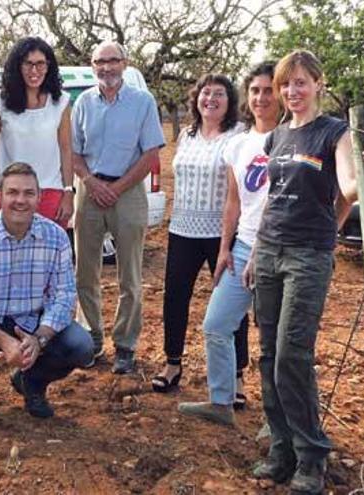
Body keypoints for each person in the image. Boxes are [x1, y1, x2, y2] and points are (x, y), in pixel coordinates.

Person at [245, 50, 364, 493]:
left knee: (293, 355)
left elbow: (347, 187)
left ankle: (312, 457)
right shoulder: (276, 138)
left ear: (318, 85)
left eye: (300, 83)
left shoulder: (334, 133)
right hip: (269, 251)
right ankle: (282, 449)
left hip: (307, 256)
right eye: (285, 85)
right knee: (269, 355)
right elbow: (275, 198)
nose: (291, 92)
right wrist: (255, 253)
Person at [0, 163, 94, 420]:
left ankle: (32, 383)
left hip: (33, 324)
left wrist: (39, 339)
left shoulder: (57, 237)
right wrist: (4, 342)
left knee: (81, 346)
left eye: (28, 193)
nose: (20, 200)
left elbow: (64, 297)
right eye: (12, 192)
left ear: (39, 198)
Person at [177, 62, 280, 423]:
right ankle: (221, 402)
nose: (261, 97)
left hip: (280, 252)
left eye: (269, 90)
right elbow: (234, 202)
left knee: (275, 341)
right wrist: (224, 249)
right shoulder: (239, 144)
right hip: (242, 248)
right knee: (217, 325)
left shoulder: (293, 137)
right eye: (255, 90)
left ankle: (276, 422)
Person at [151, 73, 248, 395]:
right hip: (182, 228)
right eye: (206, 93)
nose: (211, 99)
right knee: (175, 297)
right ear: (197, 98)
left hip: (222, 232)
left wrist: (227, 237)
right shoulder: (187, 134)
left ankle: (236, 375)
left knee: (231, 303)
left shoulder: (238, 135)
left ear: (229, 101)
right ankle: (172, 363)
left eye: (219, 94)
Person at [72, 41, 165, 374]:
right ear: (92, 64)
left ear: (125, 63)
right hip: (89, 189)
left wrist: (117, 188)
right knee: (85, 271)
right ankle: (91, 339)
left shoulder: (143, 102)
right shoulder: (82, 103)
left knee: (131, 275)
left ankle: (125, 345)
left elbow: (151, 154)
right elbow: (74, 153)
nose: (106, 67)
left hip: (128, 191)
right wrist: (92, 183)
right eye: (100, 61)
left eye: (113, 61)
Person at [0, 37, 75, 227]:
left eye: (40, 64)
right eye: (28, 64)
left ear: (49, 66)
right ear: (18, 66)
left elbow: (66, 149)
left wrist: (68, 192)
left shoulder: (61, 102)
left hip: (50, 194)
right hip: (8, 195)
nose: (34, 71)